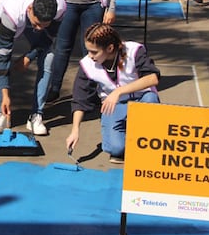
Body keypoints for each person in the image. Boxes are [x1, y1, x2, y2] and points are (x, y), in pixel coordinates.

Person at [66, 23, 160, 163]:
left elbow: (153, 78)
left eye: (94, 52)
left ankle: (146, 138)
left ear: (110, 48)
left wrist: (118, 91)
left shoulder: (134, 51)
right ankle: (126, 134)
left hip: (142, 97)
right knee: (115, 149)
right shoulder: (87, 64)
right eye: (88, 51)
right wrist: (75, 130)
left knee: (151, 100)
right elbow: (80, 99)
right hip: (114, 105)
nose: (90, 56)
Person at [0, 0, 66, 136]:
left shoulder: (59, 9)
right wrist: (5, 95)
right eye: (36, 24)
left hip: (29, 6)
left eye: (44, 25)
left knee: (49, 57)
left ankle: (37, 115)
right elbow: (4, 56)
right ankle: (1, 112)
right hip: (6, 6)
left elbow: (47, 39)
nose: (39, 29)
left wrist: (28, 57)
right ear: (30, 10)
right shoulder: (10, 13)